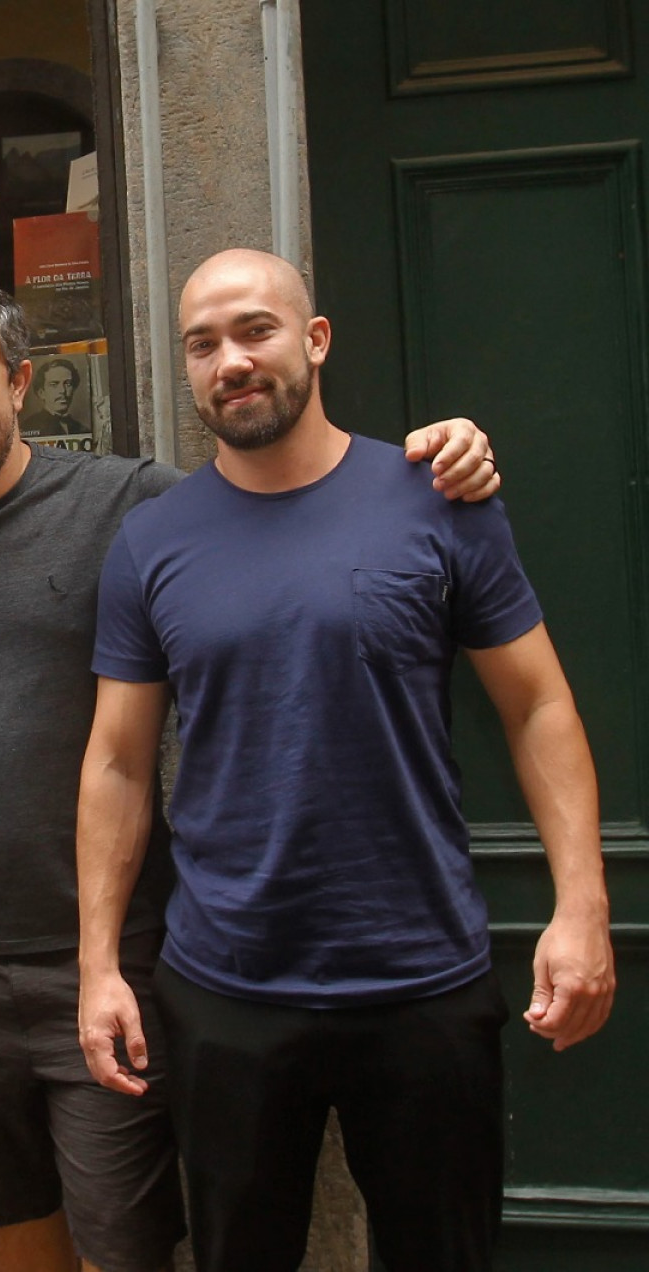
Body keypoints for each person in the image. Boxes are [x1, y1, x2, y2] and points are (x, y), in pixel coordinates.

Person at [0, 270, 502, 1272]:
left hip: (121, 952)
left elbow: (280, 511)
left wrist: (447, 450)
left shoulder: (133, 503)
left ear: (21, 381)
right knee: (7, 1224)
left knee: (129, 1239)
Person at [76, 249, 614, 1271]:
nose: (231, 360)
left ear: (315, 340)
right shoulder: (151, 543)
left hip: (421, 981)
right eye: (203, 344)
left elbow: (538, 703)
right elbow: (116, 763)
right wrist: (99, 964)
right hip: (225, 988)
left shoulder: (437, 496)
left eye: (255, 331)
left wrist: (582, 903)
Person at [20, 358, 86, 438]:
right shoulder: (27, 427)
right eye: (54, 384)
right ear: (41, 392)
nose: (62, 390)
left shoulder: (82, 429)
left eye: (68, 384)